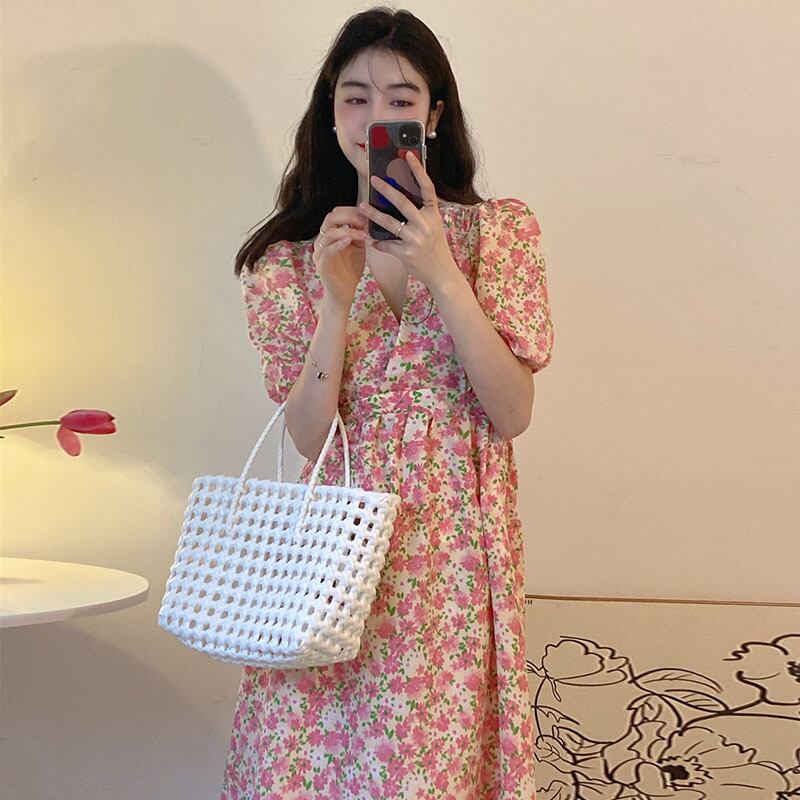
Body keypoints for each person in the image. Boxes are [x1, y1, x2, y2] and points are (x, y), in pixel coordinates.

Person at [223, 7, 554, 799]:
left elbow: (511, 412)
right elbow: (311, 439)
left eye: (401, 99)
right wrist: (335, 303)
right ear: (331, 113)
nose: (376, 115)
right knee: (312, 770)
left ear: (433, 116)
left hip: (453, 575)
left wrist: (441, 270)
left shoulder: (498, 236)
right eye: (356, 97)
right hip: (331, 572)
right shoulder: (288, 262)